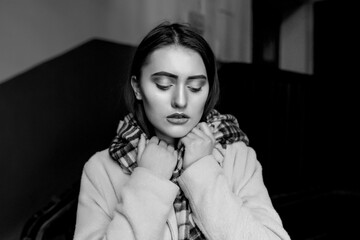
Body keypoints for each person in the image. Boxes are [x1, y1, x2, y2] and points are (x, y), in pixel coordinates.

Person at [74, 22, 290, 240]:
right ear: (138, 87)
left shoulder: (237, 157)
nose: (180, 101)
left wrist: (203, 171)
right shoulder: (101, 170)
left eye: (195, 87)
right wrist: (149, 180)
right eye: (164, 85)